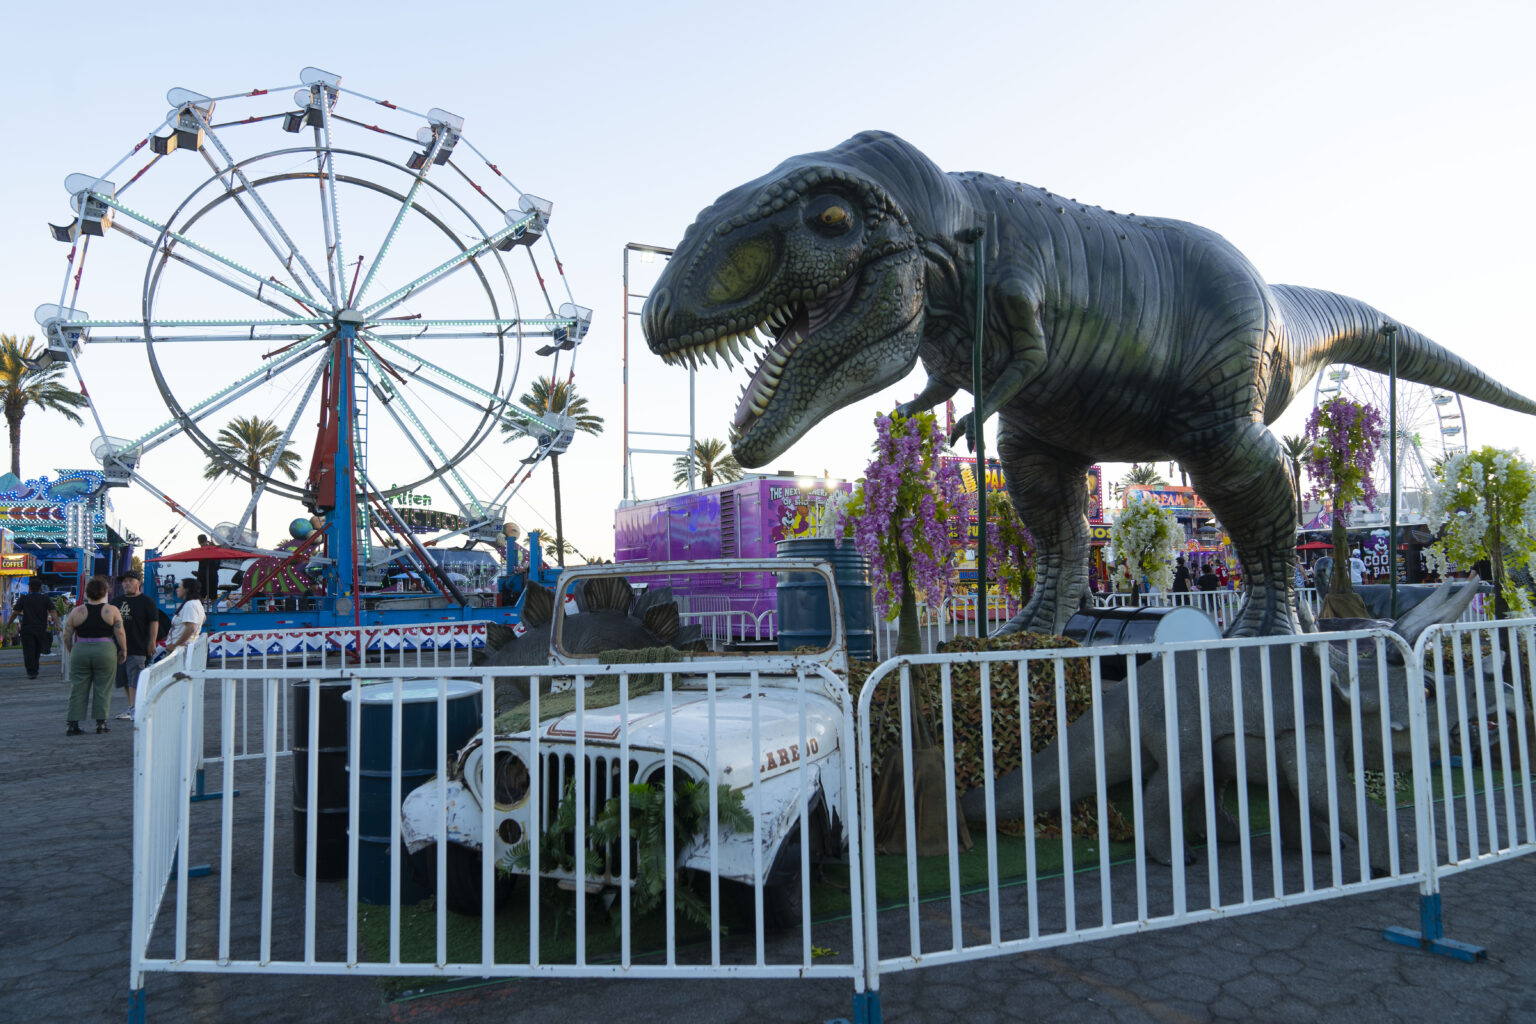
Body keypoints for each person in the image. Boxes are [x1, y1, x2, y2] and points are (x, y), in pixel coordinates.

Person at [63, 576, 127, 735]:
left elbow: (66, 635)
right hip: (105, 649)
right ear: (105, 592)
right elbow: (119, 632)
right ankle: (101, 723)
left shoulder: (76, 611)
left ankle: (72, 724)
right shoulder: (111, 610)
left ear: (87, 593)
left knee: (78, 686)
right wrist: (123, 650)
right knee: (103, 686)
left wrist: (72, 650)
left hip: (81, 649)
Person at [112, 570, 160, 721]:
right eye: (124, 581)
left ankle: (137, 708)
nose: (126, 584)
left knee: (136, 680)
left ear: (139, 583)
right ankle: (132, 706)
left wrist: (152, 642)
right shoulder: (116, 601)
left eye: (130, 581)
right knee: (125, 680)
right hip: (119, 648)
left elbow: (154, 622)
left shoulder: (147, 601)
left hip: (139, 645)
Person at [7, 577, 61, 679]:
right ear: (40, 588)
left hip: (27, 628)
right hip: (40, 629)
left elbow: (15, 613)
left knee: (28, 651)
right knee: (37, 650)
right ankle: (34, 669)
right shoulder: (45, 598)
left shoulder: (24, 598)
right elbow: (53, 611)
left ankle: (31, 671)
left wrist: (8, 624)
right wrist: (57, 625)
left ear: (29, 588)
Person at [164, 577, 207, 657]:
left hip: (181, 650)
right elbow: (203, 619)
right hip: (185, 648)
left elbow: (191, 627)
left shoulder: (190, 605)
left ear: (187, 589)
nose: (177, 589)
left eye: (179, 587)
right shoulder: (197, 603)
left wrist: (175, 644)